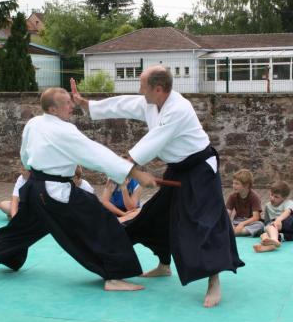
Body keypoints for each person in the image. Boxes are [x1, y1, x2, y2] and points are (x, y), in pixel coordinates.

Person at [71, 66, 244, 308]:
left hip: (200, 170)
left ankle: (213, 280)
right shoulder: (150, 102)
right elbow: (123, 104)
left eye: (142, 86)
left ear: (158, 89)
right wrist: (87, 104)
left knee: (203, 223)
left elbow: (152, 142)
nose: (139, 91)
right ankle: (164, 265)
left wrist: (126, 166)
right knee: (157, 216)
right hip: (177, 169)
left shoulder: (178, 109)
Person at [0, 87, 157, 292]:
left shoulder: (33, 123)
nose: (72, 106)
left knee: (21, 229)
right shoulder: (64, 130)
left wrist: (31, 169)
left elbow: (25, 154)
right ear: (53, 109)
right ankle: (114, 276)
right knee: (102, 222)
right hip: (55, 192)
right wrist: (135, 174)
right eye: (66, 103)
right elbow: (96, 154)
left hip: (34, 188)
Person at [253, 181, 293, 252]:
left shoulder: (288, 203)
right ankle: (269, 246)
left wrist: (279, 220)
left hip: (287, 224)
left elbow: (288, 211)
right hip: (281, 231)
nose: (272, 198)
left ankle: (274, 240)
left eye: (276, 197)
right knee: (265, 233)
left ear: (284, 198)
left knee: (273, 225)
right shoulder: (268, 205)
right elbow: (267, 221)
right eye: (271, 195)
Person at [226, 169, 264, 237]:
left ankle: (234, 233)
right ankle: (236, 232)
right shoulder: (232, 196)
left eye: (237, 184)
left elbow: (256, 217)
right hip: (236, 221)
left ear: (246, 185)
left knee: (260, 225)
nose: (233, 186)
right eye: (233, 183)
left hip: (250, 222)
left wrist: (242, 224)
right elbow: (227, 214)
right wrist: (230, 224)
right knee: (223, 222)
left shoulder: (254, 197)